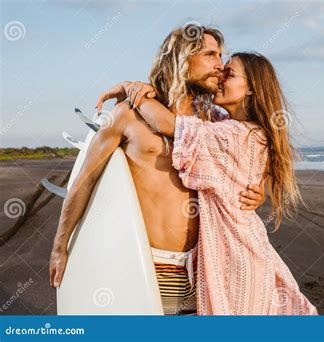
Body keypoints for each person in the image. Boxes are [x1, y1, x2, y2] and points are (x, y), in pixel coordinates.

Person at [49, 25, 265, 316]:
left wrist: (258, 192)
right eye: (210, 55)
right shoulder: (128, 115)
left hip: (203, 269)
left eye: (221, 56)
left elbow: (245, 167)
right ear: (182, 57)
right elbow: (84, 181)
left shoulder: (214, 123)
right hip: (147, 266)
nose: (220, 65)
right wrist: (60, 245)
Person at [107, 51, 318, 315]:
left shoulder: (236, 134)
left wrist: (131, 90)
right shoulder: (234, 126)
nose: (220, 77)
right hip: (240, 253)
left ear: (251, 89)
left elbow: (169, 124)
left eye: (228, 74)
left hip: (238, 261)